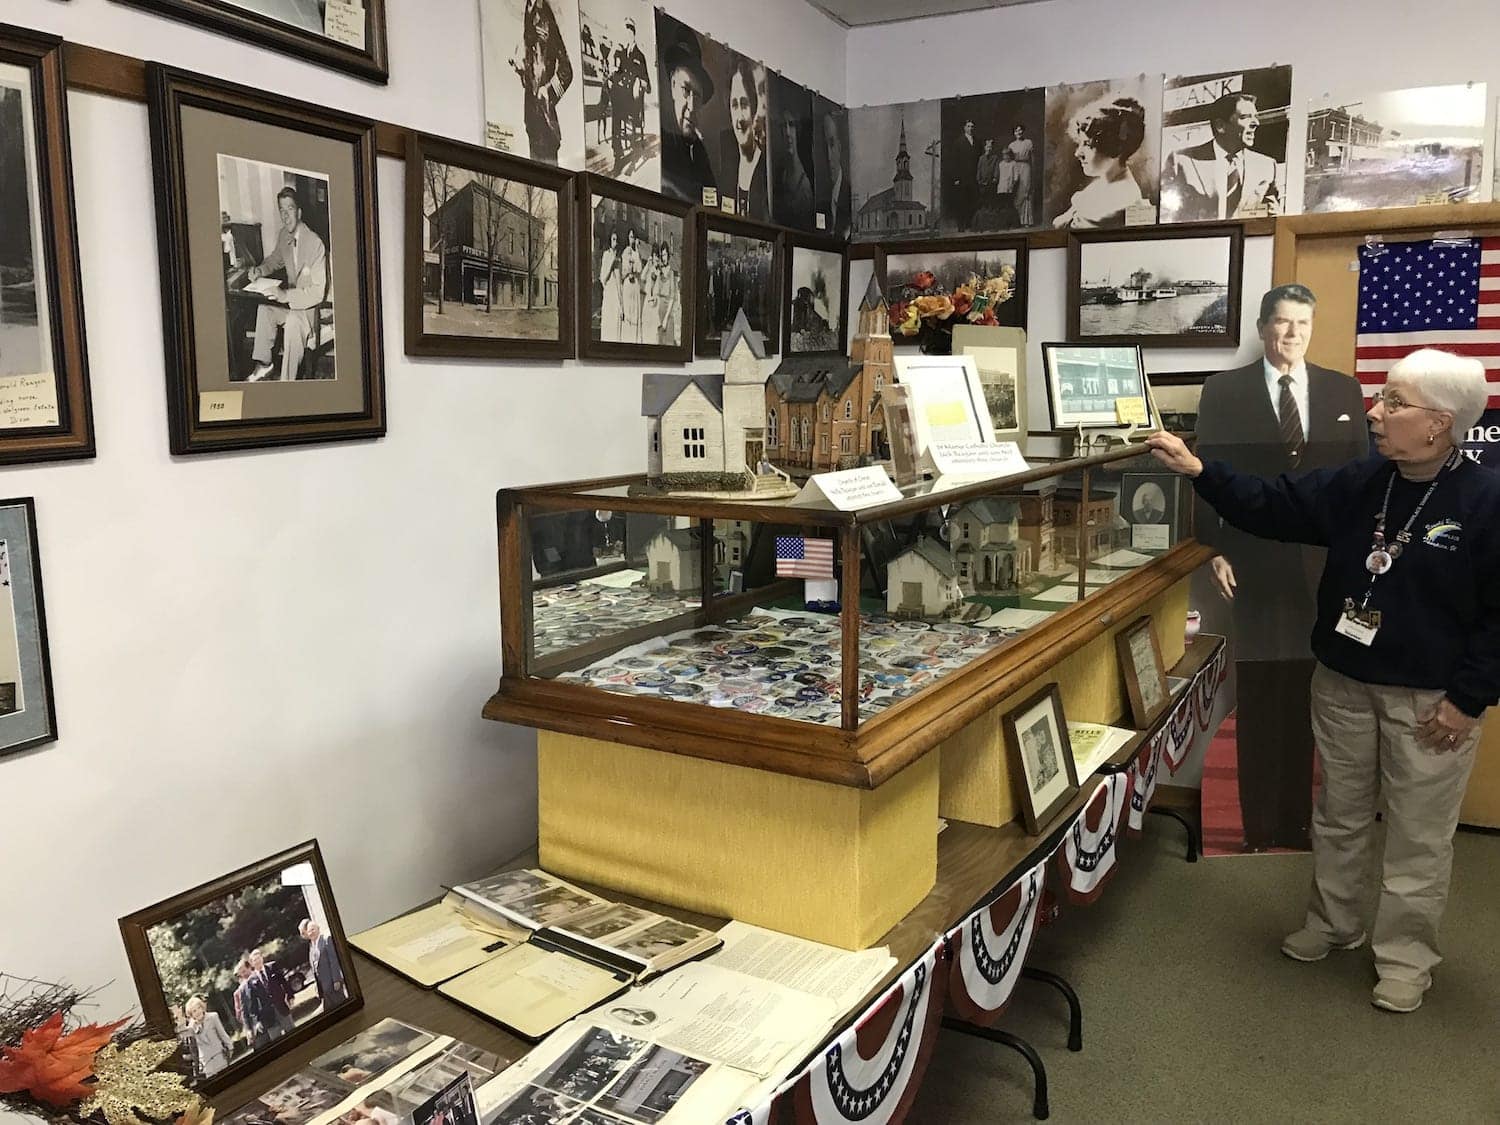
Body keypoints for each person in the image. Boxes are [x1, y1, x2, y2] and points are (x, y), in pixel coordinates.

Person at [1146, 347, 1499, 1014]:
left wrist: (1467, 699)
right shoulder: (1367, 479)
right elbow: (1275, 503)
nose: (1374, 410)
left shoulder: (1486, 500)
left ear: (1439, 424)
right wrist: (1200, 470)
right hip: (1341, 680)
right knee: (1337, 812)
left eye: (1394, 402)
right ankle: (1335, 922)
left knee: (1418, 834)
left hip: (1431, 700)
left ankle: (1404, 957)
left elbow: (1497, 616)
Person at [1194, 284, 1370, 851]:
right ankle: (1258, 828)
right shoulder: (1224, 391)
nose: (1291, 334)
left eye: (1302, 324)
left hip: (1326, 573)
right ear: (1263, 327)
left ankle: (1297, 824)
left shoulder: (1344, 389)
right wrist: (1212, 547)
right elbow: (1205, 474)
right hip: (1254, 566)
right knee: (1261, 699)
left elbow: (1363, 484)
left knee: (1313, 701)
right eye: (1281, 323)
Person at [246, 187, 327, 382]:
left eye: (289, 209)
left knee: (292, 324)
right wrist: (260, 270)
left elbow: (318, 292)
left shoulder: (315, 243)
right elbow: (275, 260)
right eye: (281, 210)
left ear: (299, 212)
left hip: (308, 309)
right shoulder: (284, 235)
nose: (285, 215)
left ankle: (287, 382)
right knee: (265, 307)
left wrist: (286, 296)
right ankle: (265, 364)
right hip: (289, 304)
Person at [1161, 91, 1281, 222]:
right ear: (1220, 126)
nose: (1256, 123)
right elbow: (1166, 217)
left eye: (1255, 117)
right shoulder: (1181, 161)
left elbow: (1272, 218)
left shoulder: (1267, 166)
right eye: (1245, 117)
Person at [1051, 95, 1147, 229]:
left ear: (1113, 146)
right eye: (1080, 143)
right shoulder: (1104, 183)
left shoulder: (1123, 199)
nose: (1078, 153)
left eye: (1088, 145)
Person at [509, 0, 573, 164]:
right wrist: (522, 71)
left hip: (545, 118)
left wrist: (549, 91)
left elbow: (566, 70)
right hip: (531, 115)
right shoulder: (528, 12)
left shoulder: (545, 16)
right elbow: (535, 70)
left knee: (550, 177)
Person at [659, 31, 717, 202]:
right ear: (672, 85)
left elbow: (711, 202)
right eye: (686, 90)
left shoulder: (698, 150)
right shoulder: (660, 142)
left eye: (697, 97)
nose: (692, 107)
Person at [720, 58, 768, 219]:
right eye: (734, 105)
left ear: (754, 108)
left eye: (744, 104)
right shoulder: (727, 168)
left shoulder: (765, 168)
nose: (739, 118)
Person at [773, 102, 814, 229]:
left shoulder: (807, 178)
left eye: (791, 125)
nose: (787, 132)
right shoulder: (779, 173)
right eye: (782, 126)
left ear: (798, 129)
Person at [246, 948, 295, 1038]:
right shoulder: (250, 981)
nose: (257, 961)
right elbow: (253, 1003)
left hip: (282, 1008)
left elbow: (283, 982)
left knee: (294, 1034)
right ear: (252, 963)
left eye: (258, 958)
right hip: (268, 1017)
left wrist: (290, 996)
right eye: (254, 960)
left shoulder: (272, 967)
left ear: (262, 958)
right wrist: (257, 1021)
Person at [300, 919, 347, 1012]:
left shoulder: (326, 940)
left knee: (343, 1007)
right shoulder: (312, 946)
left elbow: (333, 961)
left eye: (313, 929)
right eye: (309, 931)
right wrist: (318, 988)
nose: (311, 932)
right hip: (324, 989)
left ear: (318, 928)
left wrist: (336, 980)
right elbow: (315, 969)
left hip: (333, 984)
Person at [816, 112, 850, 237]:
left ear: (839, 148)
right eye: (824, 146)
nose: (828, 156)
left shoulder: (850, 198)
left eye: (832, 144)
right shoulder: (819, 202)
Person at [183, 995, 233, 1079]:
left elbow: (222, 1034)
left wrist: (230, 1047)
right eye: (194, 1011)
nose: (197, 1012)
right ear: (191, 1015)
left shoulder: (213, 1016)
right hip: (207, 1062)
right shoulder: (191, 1027)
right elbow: (193, 1048)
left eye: (198, 1008)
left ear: (202, 1008)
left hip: (219, 1055)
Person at [946, 118, 980, 229]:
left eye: (972, 126)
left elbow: (979, 159)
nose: (970, 128)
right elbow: (954, 161)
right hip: (962, 177)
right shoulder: (958, 142)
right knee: (961, 201)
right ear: (964, 128)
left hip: (973, 177)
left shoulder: (976, 141)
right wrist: (956, 177)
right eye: (968, 126)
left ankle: (969, 224)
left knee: (972, 200)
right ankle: (960, 225)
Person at [1005, 124, 1035, 226]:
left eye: (1020, 130)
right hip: (1015, 167)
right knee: (1016, 191)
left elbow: (1032, 158)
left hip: (1026, 167)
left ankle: (1026, 220)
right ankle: (1016, 220)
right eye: (1016, 131)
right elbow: (1008, 161)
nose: (1019, 132)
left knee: (1025, 191)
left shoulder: (1028, 143)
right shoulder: (1011, 145)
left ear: (1023, 131)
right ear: (1014, 133)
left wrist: (1033, 170)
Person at [597, 228, 623, 342]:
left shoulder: (618, 258)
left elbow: (619, 281)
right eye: (613, 239)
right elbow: (603, 279)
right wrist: (611, 265)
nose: (615, 242)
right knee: (608, 328)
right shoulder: (606, 255)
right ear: (610, 240)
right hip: (608, 295)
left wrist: (622, 304)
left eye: (616, 240)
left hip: (616, 296)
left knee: (616, 328)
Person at [620, 226, 644, 343]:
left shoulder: (636, 253)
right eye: (630, 237)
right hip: (628, 285)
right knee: (628, 311)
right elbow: (623, 271)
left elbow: (639, 269)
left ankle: (635, 340)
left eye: (633, 237)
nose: (632, 240)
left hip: (635, 286)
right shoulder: (625, 253)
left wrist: (637, 251)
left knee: (635, 311)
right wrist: (629, 269)